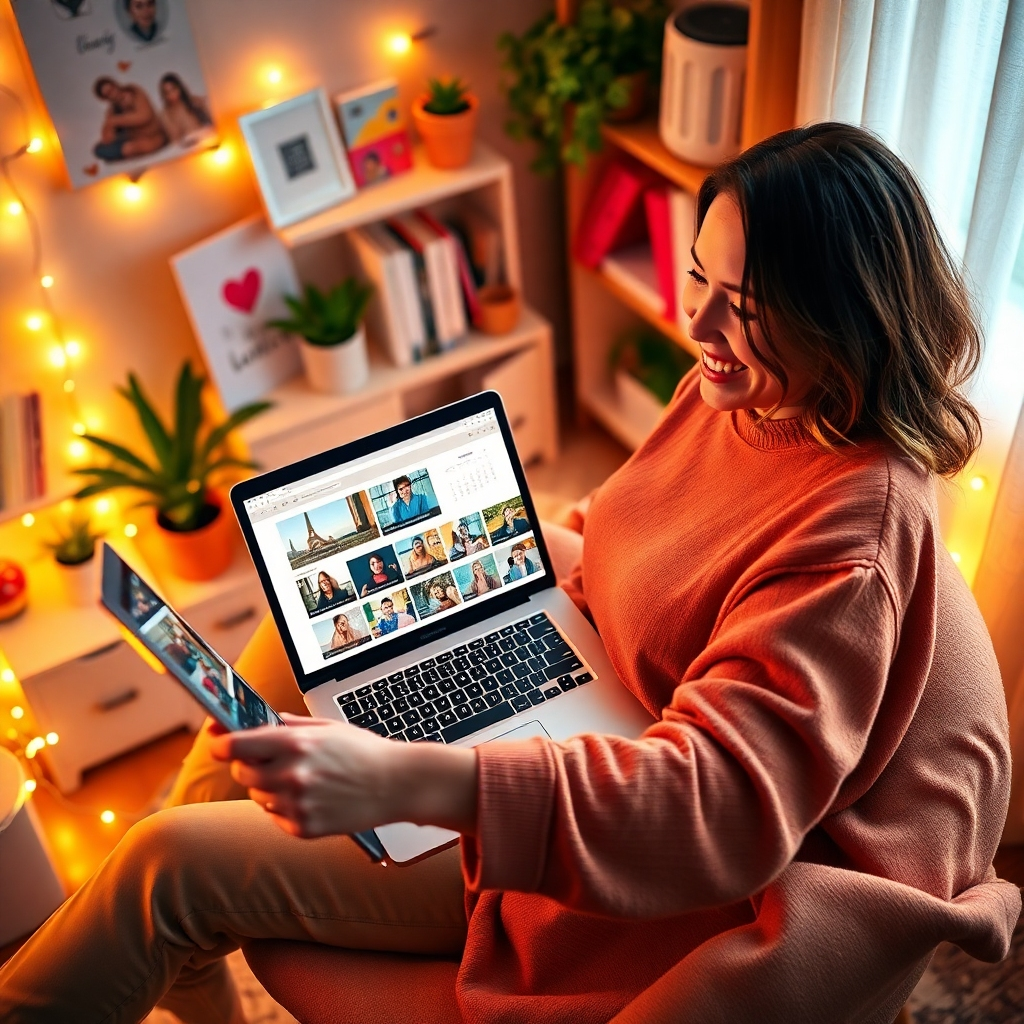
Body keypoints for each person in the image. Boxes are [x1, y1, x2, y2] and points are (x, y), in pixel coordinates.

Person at [2, 124, 1018, 1024]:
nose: (696, 325)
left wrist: (403, 778)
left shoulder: (851, 536)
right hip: (600, 679)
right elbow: (635, 519)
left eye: (740, 305)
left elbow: (718, 810)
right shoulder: (749, 391)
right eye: (698, 277)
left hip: (647, 836)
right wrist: (497, 547)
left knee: (160, 865)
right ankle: (186, 974)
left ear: (839, 316)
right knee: (280, 658)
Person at [92, 77, 168, 162]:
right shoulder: (113, 109)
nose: (112, 93)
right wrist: (109, 127)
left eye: (111, 89)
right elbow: (107, 138)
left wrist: (117, 120)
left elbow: (144, 116)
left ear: (115, 85)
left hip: (153, 136)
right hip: (133, 138)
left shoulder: (134, 92)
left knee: (128, 149)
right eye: (107, 94)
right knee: (99, 149)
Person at [158, 73, 212, 144]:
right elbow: (175, 140)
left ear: (179, 88)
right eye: (167, 92)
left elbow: (209, 104)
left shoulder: (192, 100)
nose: (171, 95)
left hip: (205, 138)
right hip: (187, 145)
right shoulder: (165, 114)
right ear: (164, 95)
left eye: (173, 89)